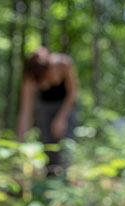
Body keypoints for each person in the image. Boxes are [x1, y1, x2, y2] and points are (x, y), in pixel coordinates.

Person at [16, 47, 79, 178]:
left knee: (65, 143)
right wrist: (20, 142)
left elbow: (73, 93)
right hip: (45, 107)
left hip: (66, 105)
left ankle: (64, 178)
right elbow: (25, 110)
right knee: (47, 141)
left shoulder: (63, 63)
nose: (45, 85)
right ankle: (50, 177)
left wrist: (61, 118)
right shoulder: (30, 75)